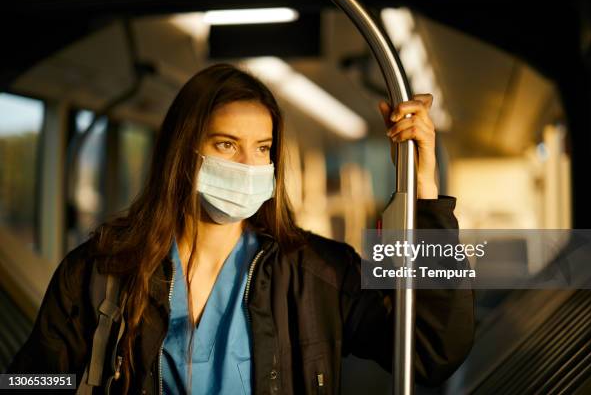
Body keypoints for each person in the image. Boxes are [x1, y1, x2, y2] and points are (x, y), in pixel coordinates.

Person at [7, 64, 474, 394]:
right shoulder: (100, 270)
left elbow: (433, 352)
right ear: (183, 154)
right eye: (227, 145)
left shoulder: (316, 273)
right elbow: (30, 379)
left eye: (263, 148)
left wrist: (425, 199)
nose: (249, 165)